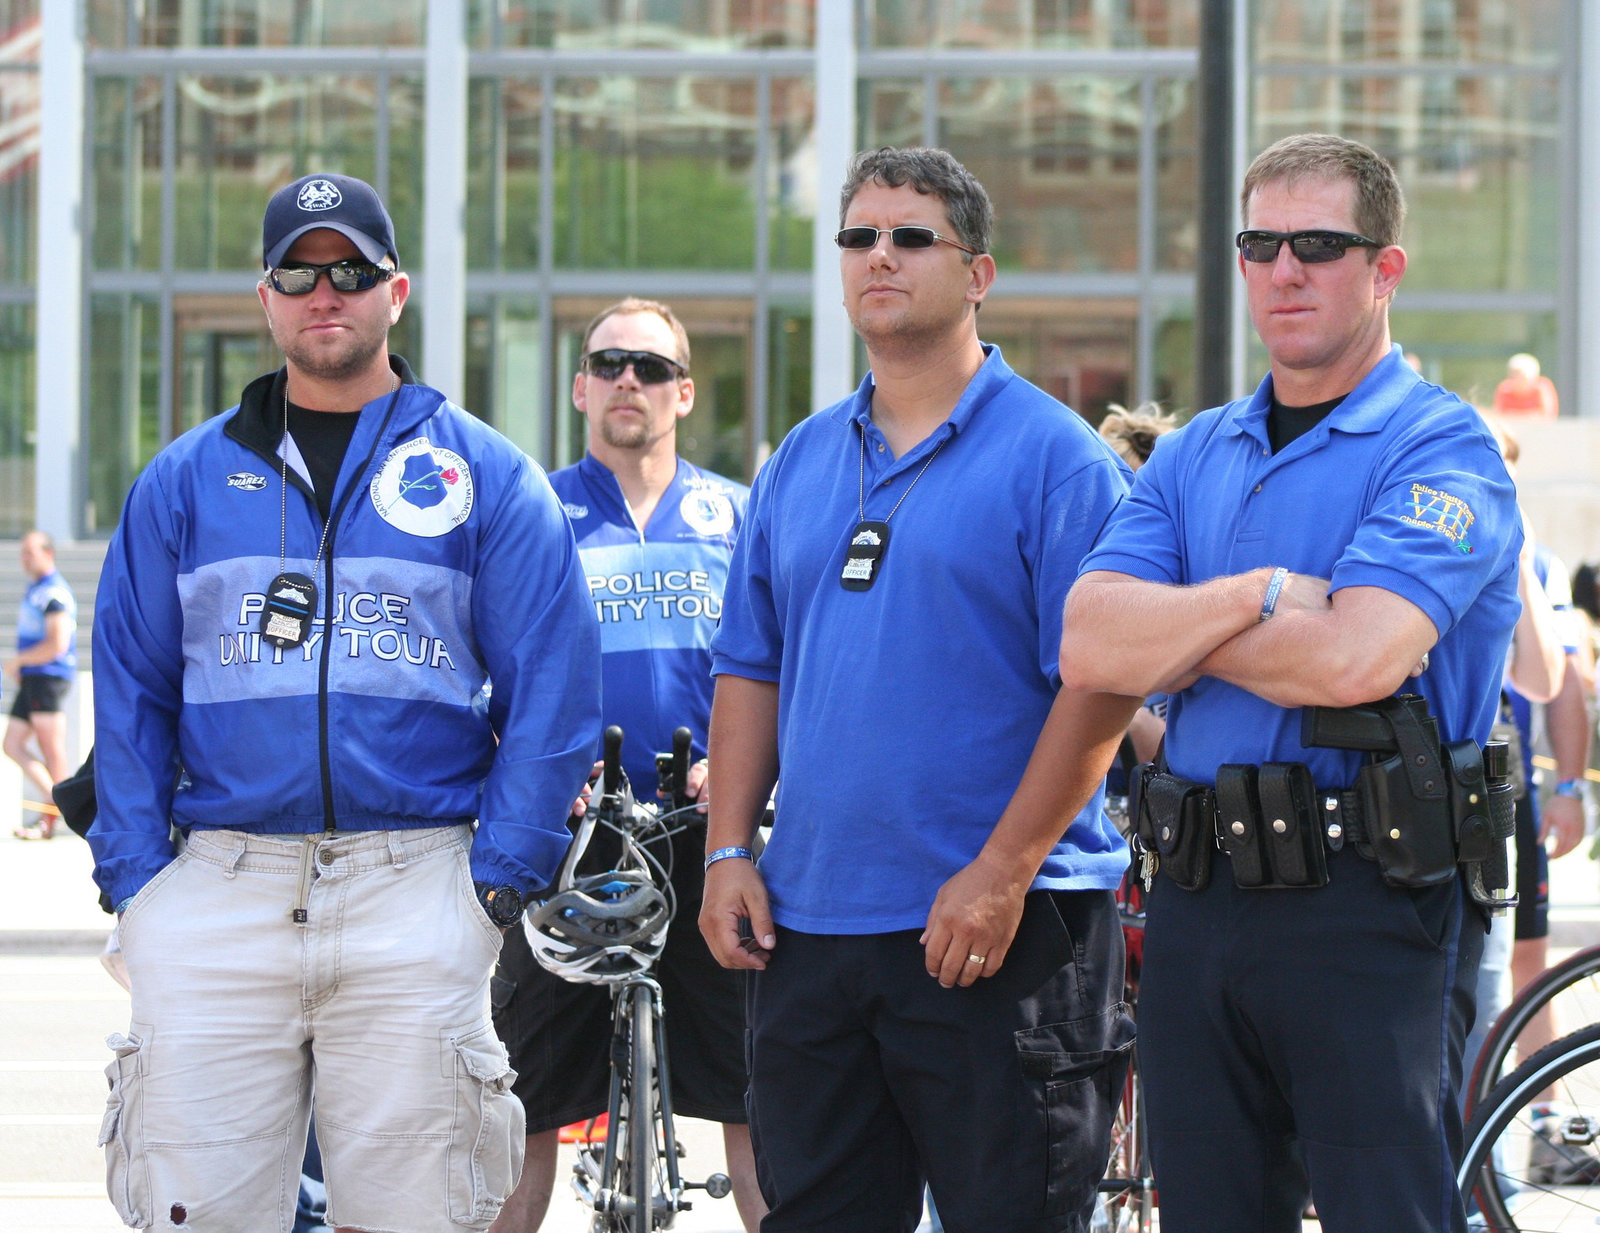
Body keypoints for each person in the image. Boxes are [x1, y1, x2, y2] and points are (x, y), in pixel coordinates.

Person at [89, 172, 601, 1233]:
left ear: (395, 291)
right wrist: (137, 885)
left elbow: (556, 687)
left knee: (413, 1218)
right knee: (201, 1216)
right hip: (218, 887)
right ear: (267, 296)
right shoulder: (183, 481)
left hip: (415, 885)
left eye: (352, 270)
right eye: (299, 271)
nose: (327, 292)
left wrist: (495, 882)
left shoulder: (486, 475)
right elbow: (132, 687)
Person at [1062, 133, 1521, 1233]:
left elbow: (1356, 658)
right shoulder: (1192, 453)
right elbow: (1086, 645)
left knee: (1385, 1215)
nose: (1284, 269)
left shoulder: (1440, 449)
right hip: (1197, 898)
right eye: (1259, 243)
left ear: (1385, 267)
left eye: (1318, 243)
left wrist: (1167, 631)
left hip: (1373, 906)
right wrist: (1261, 594)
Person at [700, 146, 1138, 1233]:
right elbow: (748, 668)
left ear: (977, 274)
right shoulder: (799, 460)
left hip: (1002, 933)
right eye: (857, 237)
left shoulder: (1059, 460)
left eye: (910, 236)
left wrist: (1000, 871)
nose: (878, 256)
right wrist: (724, 852)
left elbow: (1102, 685)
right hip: (810, 933)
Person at [488, 298, 763, 1233]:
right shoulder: (533, 508)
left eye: (649, 367)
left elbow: (788, 663)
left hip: (707, 825)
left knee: (753, 1098)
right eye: (608, 364)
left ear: (683, 391)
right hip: (570, 831)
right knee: (521, 1102)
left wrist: (746, 773)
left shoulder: (737, 511)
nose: (627, 381)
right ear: (579, 387)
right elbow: (485, 661)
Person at [5, 530, 77, 839]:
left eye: (29, 552)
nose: (24, 559)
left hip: (47, 677)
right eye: (22, 552)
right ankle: (56, 804)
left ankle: (60, 812)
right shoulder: (36, 589)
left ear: (48, 553)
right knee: (12, 743)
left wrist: (20, 661)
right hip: (34, 677)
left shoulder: (53, 593)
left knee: (51, 749)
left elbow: (57, 644)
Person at [1492, 352, 1559, 419]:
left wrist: (1514, 414)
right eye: (1514, 375)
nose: (1518, 379)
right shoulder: (1505, 389)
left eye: (1522, 376)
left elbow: (1547, 415)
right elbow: (1499, 415)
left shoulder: (1541, 388)